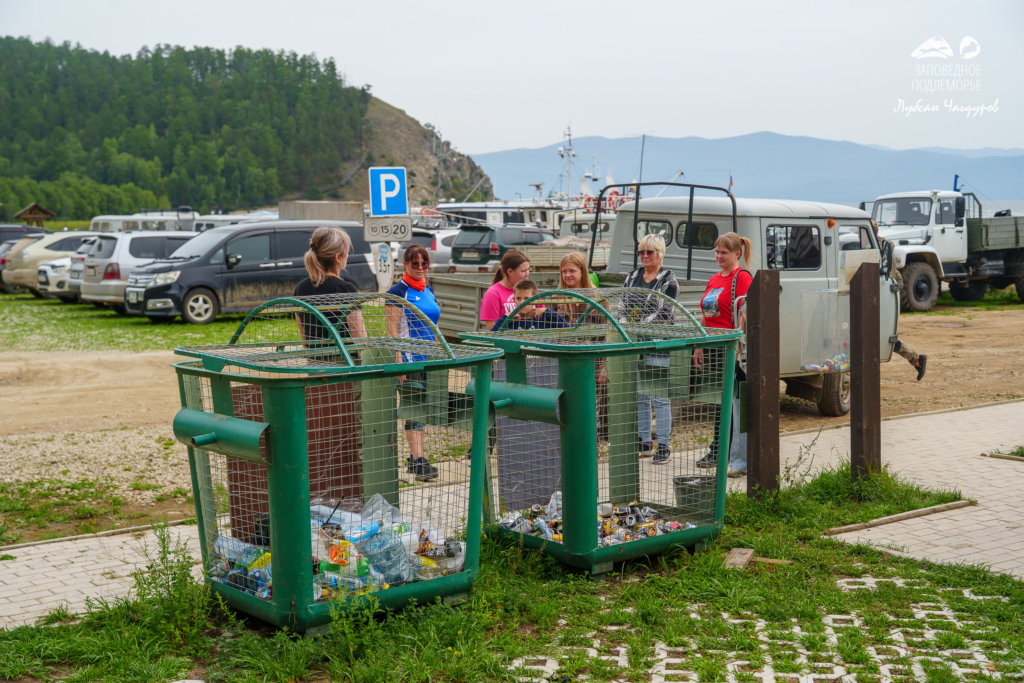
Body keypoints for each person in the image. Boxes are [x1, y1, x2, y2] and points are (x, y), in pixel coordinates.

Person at [694, 232, 754, 478]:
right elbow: (706, 314)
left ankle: (741, 461)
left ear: (737, 254)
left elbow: (745, 313)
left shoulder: (743, 278)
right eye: (717, 252)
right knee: (724, 403)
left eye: (724, 253)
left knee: (741, 405)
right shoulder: (714, 279)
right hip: (714, 345)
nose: (719, 256)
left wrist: (735, 341)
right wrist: (699, 345)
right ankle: (723, 452)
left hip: (734, 349)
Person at [385, 244, 440, 482]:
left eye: (424, 264)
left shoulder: (428, 290)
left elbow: (433, 324)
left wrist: (440, 351)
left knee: (424, 408)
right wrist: (399, 360)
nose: (419, 268)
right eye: (414, 263)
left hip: (429, 357)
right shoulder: (398, 292)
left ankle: (417, 457)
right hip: (410, 358)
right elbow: (391, 330)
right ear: (405, 264)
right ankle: (418, 460)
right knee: (414, 406)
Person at [623, 234, 678, 464]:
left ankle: (663, 444)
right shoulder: (633, 276)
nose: (645, 256)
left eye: (650, 252)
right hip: (634, 342)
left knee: (659, 396)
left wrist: (638, 327)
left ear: (660, 254)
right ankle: (644, 440)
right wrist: (626, 326)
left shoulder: (668, 279)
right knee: (641, 394)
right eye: (641, 252)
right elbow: (622, 304)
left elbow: (665, 312)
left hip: (657, 343)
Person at [871, 220, 928, 380]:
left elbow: (887, 275)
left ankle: (916, 359)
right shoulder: (871, 244)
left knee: (886, 338)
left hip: (883, 295)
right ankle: (916, 359)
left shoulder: (884, 246)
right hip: (879, 294)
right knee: (884, 337)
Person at [294, 225, 366, 339]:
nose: (348, 255)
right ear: (338, 258)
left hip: (315, 356)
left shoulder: (300, 288)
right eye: (347, 252)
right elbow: (360, 338)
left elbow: (305, 339)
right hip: (345, 355)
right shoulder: (345, 289)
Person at [480, 249, 531, 331]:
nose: (527, 274)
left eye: (528, 269)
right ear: (510, 271)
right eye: (523, 271)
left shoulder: (529, 289)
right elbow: (492, 330)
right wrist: (507, 318)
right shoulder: (493, 294)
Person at [493, 280, 569, 330]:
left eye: (527, 299)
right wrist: (505, 318)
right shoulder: (511, 320)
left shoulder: (543, 317)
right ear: (514, 300)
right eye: (518, 298)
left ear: (535, 300)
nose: (522, 303)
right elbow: (493, 336)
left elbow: (566, 328)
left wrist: (548, 312)